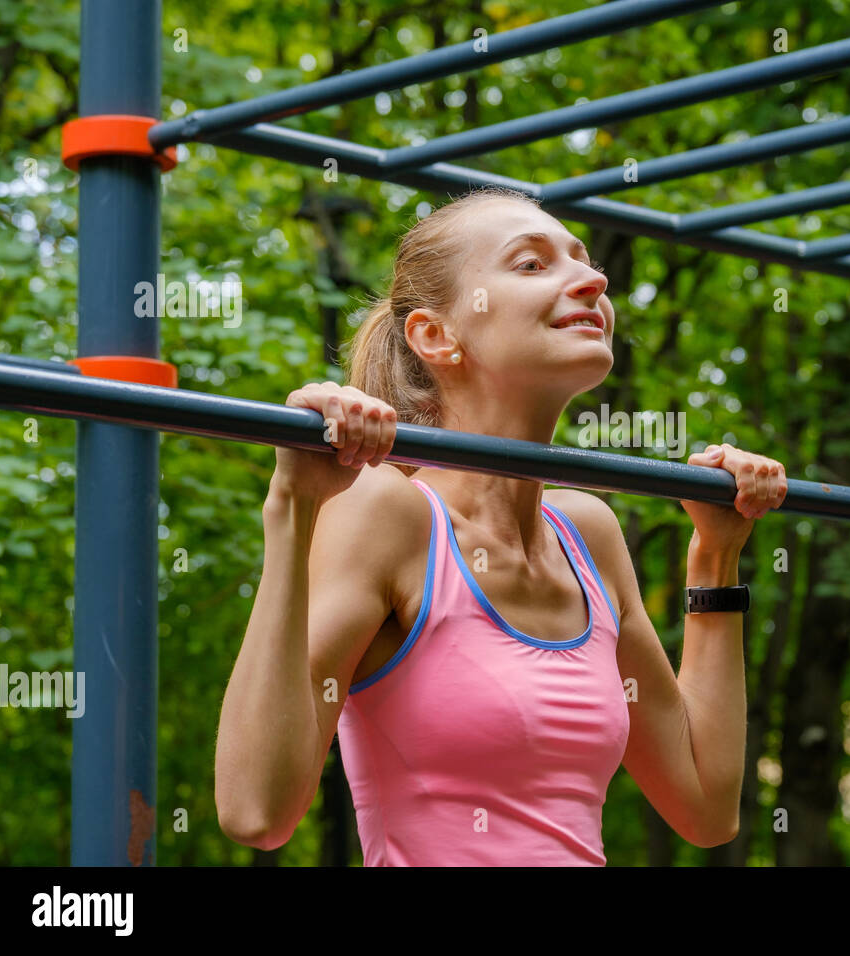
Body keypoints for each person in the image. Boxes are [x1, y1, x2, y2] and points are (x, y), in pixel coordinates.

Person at [215, 185, 787, 865]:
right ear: (436, 335)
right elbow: (255, 811)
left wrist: (716, 557)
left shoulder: (587, 534)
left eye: (583, 261)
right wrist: (294, 505)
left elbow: (704, 805)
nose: (595, 278)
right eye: (532, 264)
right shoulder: (389, 514)